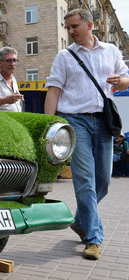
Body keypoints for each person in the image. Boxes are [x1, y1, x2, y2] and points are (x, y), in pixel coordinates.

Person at [44, 9, 129, 260]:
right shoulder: (64, 56)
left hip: (103, 122)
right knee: (85, 181)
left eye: (74, 26)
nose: (70, 32)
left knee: (104, 181)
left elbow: (125, 78)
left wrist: (122, 82)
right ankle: (93, 238)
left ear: (90, 25)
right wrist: (50, 128)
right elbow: (53, 92)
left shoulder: (111, 51)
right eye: (67, 27)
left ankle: (80, 220)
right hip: (75, 121)